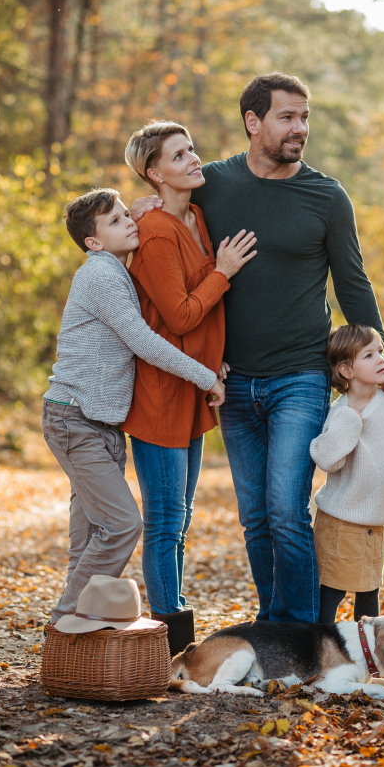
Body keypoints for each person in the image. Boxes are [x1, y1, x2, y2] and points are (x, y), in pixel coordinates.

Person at [131, 72, 384, 626]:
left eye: (304, 117)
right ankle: (273, 625)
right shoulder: (212, 183)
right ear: (253, 122)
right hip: (232, 381)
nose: (300, 128)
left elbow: (354, 285)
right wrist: (145, 208)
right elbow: (167, 207)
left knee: (287, 510)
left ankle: (307, 632)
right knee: (255, 517)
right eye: (287, 117)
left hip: (300, 377)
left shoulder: (326, 196)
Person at [42, 187, 225, 628]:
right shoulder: (102, 275)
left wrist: (142, 207)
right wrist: (206, 376)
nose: (130, 223)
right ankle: (66, 621)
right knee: (123, 525)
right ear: (94, 242)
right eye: (117, 220)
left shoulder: (118, 270)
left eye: (128, 214)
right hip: (75, 419)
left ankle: (69, 644)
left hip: (100, 425)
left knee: (87, 535)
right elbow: (143, 341)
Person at [123, 120, 257, 655]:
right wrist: (223, 270)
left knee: (182, 516)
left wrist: (214, 362)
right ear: (155, 173)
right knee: (164, 520)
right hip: (160, 391)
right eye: (179, 156)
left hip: (195, 386)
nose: (194, 159)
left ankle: (174, 635)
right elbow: (177, 317)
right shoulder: (155, 232)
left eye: (192, 149)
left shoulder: (196, 215)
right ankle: (169, 643)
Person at [310, 324, 384, 623]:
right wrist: (351, 419)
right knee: (330, 594)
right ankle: (319, 653)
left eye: (381, 351)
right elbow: (326, 459)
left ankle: (368, 659)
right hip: (339, 522)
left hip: (375, 522)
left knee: (369, 596)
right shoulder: (339, 411)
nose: (381, 359)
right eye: (369, 355)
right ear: (347, 370)